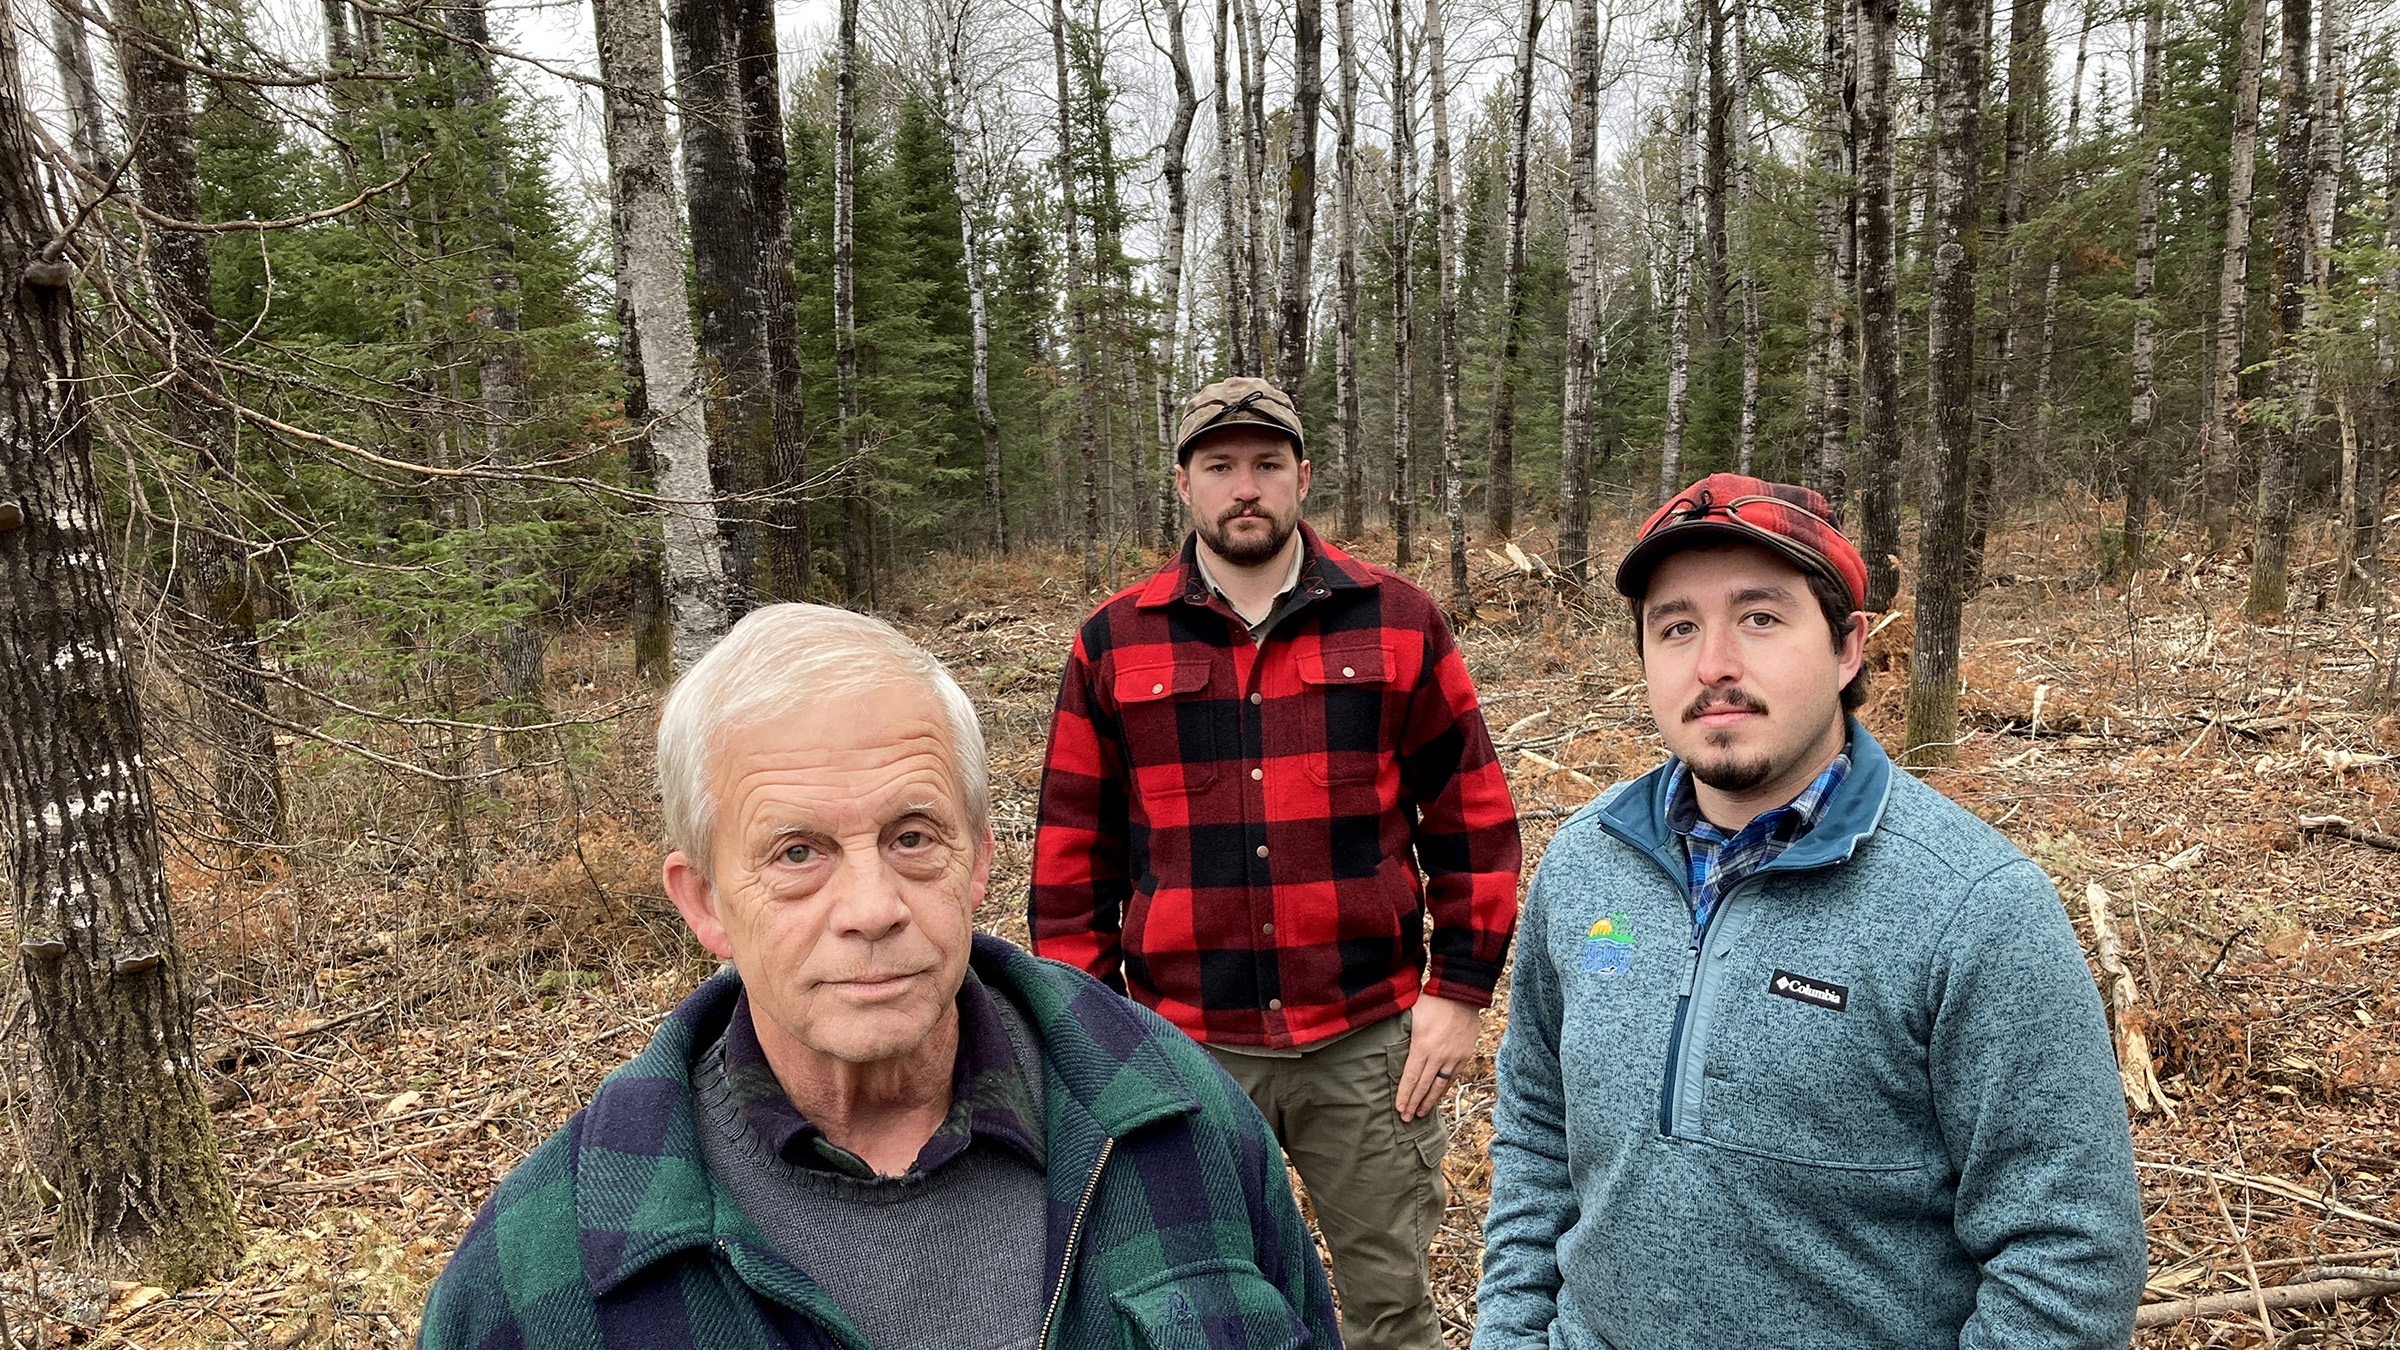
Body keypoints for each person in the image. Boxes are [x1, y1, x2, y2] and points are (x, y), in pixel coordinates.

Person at [418, 604, 1338, 1350]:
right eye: (797, 852)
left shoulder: (1178, 1123)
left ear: (977, 860)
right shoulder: (543, 1275)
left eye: (911, 838)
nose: (872, 907)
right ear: (703, 903)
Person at [1472, 474, 2148, 1350]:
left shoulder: (1972, 908)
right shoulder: (1586, 863)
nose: (1713, 663)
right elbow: (1535, 1128)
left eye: (1760, 617)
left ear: (1846, 648)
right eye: (1676, 626)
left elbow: (2071, 1256)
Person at [1032, 375, 1524, 1350]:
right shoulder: (1113, 643)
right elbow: (1071, 857)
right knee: (1200, 1309)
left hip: (1366, 1047)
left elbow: (1469, 813)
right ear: (1184, 484)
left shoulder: (1398, 621)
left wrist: (1460, 991)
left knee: (1391, 1309)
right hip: (1185, 1048)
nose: (1244, 487)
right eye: (1221, 467)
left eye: (1265, 464)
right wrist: (1088, 1042)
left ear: (1302, 476)